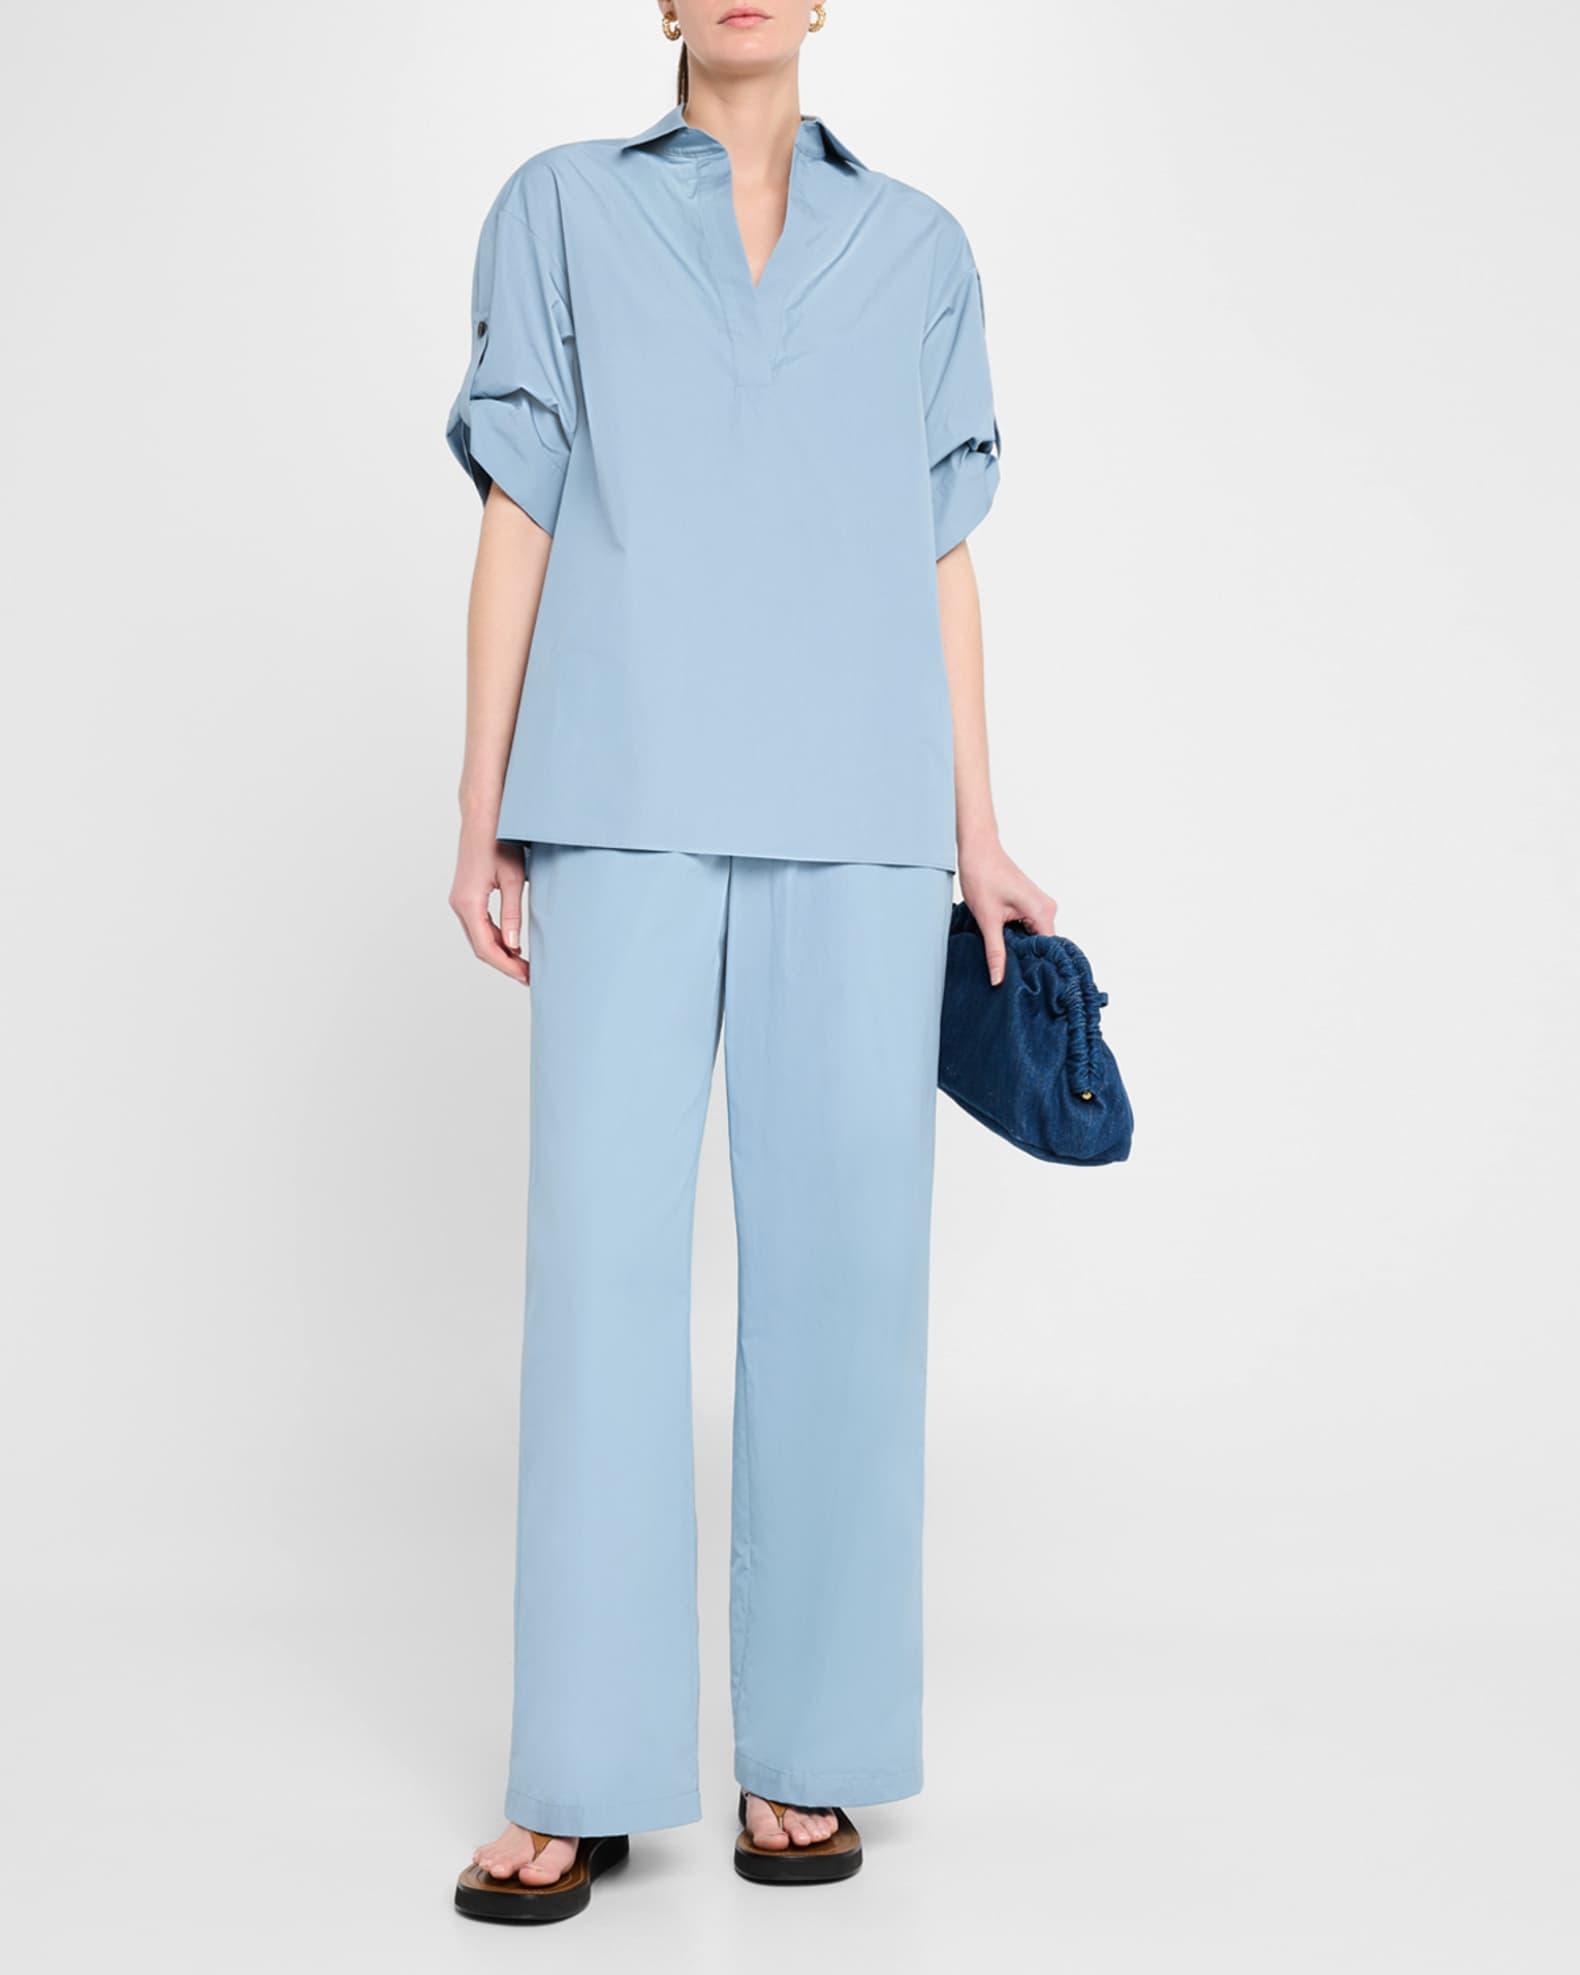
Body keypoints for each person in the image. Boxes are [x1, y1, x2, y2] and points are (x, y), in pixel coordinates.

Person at [446, 0, 1056, 1922]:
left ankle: (808, 1751)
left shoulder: (920, 249)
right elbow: (521, 508)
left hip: (863, 819)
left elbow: (938, 549)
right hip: (620, 795)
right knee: (600, 1284)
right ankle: (582, 1771)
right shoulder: (559, 209)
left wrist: (976, 828)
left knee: (847, 1284)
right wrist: (479, 802)